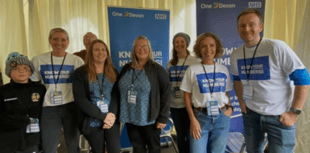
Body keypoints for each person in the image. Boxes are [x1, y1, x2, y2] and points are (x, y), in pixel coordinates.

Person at [230, 8, 310, 153]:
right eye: (242, 25)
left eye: (251, 24)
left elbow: (303, 78)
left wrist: (294, 113)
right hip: (251, 115)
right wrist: (242, 102)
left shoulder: (276, 47)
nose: (246, 29)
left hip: (279, 116)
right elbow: (236, 79)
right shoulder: (236, 54)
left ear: (261, 26)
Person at [31, 28, 84, 153]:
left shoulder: (76, 61)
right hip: (48, 108)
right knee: (49, 146)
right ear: (49, 40)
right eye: (55, 39)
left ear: (68, 41)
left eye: (63, 39)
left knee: (73, 144)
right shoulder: (38, 60)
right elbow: (34, 85)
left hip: (70, 107)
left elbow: (83, 85)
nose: (59, 42)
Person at [117, 35, 171, 153]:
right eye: (138, 46)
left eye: (145, 46)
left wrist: (163, 117)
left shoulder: (156, 69)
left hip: (150, 119)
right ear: (134, 49)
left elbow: (166, 92)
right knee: (137, 147)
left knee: (153, 148)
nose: (142, 49)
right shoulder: (127, 68)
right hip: (130, 116)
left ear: (149, 49)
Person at [181, 33, 233, 153]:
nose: (208, 49)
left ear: (217, 47)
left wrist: (229, 108)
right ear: (199, 49)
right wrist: (192, 119)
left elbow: (225, 92)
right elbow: (186, 96)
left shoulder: (223, 69)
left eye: (212, 45)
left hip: (222, 117)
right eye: (204, 46)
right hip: (200, 118)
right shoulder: (192, 69)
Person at [73, 39, 120, 153]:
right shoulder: (80, 73)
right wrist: (102, 116)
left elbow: (116, 95)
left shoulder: (113, 71)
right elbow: (81, 99)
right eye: (96, 50)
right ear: (91, 53)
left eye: (103, 49)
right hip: (91, 120)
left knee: (115, 150)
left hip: (110, 119)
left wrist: (111, 115)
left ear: (107, 53)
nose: (101, 52)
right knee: (97, 150)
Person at [0, 52, 46, 153]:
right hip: (8, 142)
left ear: (30, 71)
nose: (22, 71)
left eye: (26, 68)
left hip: (33, 141)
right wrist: (21, 120)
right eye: (16, 68)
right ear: (9, 72)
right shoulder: (3, 91)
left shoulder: (40, 89)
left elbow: (46, 115)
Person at [166, 32, 200, 153]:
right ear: (173, 45)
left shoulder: (194, 61)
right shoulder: (170, 63)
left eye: (182, 41)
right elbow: (167, 84)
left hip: (189, 105)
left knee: (191, 136)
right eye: (176, 42)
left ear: (187, 44)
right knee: (180, 137)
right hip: (175, 106)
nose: (179, 44)